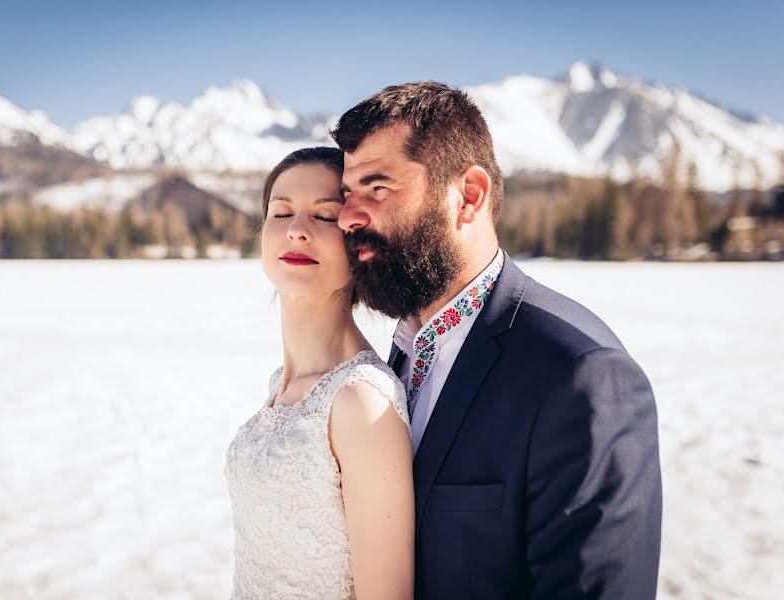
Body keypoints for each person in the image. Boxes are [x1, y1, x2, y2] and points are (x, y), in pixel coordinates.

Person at [331, 82, 662, 599]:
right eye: (349, 195)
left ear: (469, 196)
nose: (349, 217)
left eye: (378, 189)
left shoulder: (579, 375)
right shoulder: (396, 354)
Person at [224, 147, 415, 600]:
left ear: (357, 240)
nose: (296, 231)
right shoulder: (283, 384)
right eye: (281, 212)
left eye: (325, 217)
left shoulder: (361, 400)